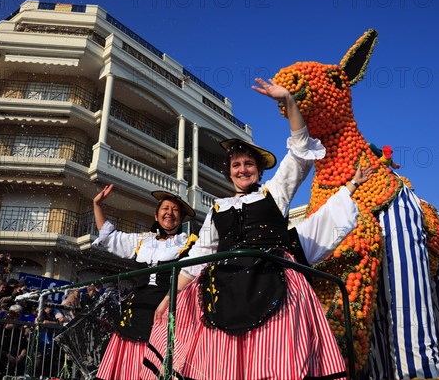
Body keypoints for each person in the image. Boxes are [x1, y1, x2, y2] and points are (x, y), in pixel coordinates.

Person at [141, 78, 373, 379]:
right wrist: (167, 298)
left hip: (274, 281)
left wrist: (288, 100)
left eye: (248, 164)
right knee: (223, 361)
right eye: (236, 165)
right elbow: (198, 258)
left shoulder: (274, 192)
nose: (242, 169)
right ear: (229, 172)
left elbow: (301, 149)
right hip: (223, 290)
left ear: (259, 170)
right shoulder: (216, 210)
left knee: (279, 360)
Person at [91, 186, 197, 380]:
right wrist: (97, 205)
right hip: (137, 311)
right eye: (165, 208)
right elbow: (110, 237)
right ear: (156, 216)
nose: (169, 213)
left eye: (175, 210)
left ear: (181, 219)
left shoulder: (189, 243)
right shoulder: (143, 240)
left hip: (168, 310)